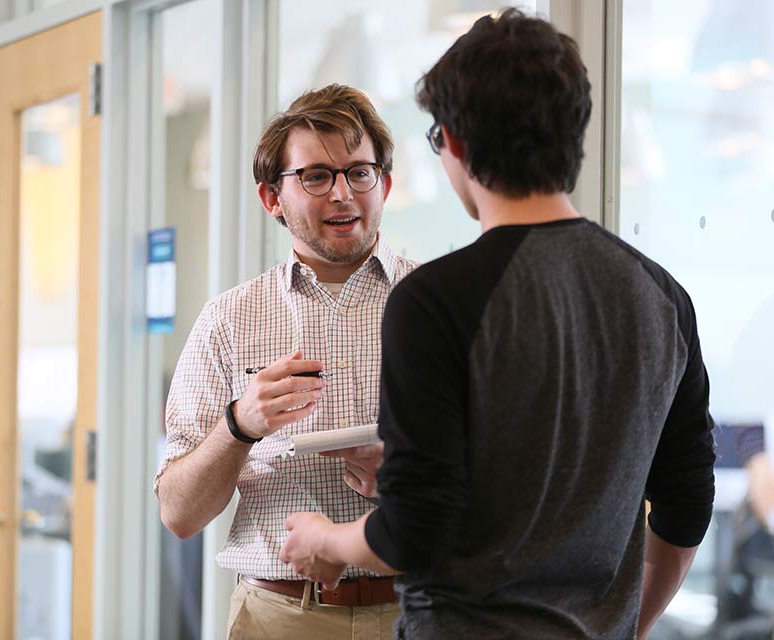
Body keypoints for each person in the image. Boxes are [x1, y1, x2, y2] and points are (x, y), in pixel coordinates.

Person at [280, 10, 716, 639]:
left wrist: (326, 537)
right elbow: (686, 505)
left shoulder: (435, 300)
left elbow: (415, 528)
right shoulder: (661, 296)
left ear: (454, 142)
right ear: (576, 134)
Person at [154, 83, 418, 638]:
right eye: (316, 176)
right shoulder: (228, 319)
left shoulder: (442, 303)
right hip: (278, 617)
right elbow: (179, 514)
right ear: (272, 198)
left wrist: (403, 477)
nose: (343, 193)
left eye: (360, 172)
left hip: (418, 612)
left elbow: (506, 476)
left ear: (385, 184)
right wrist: (238, 425)